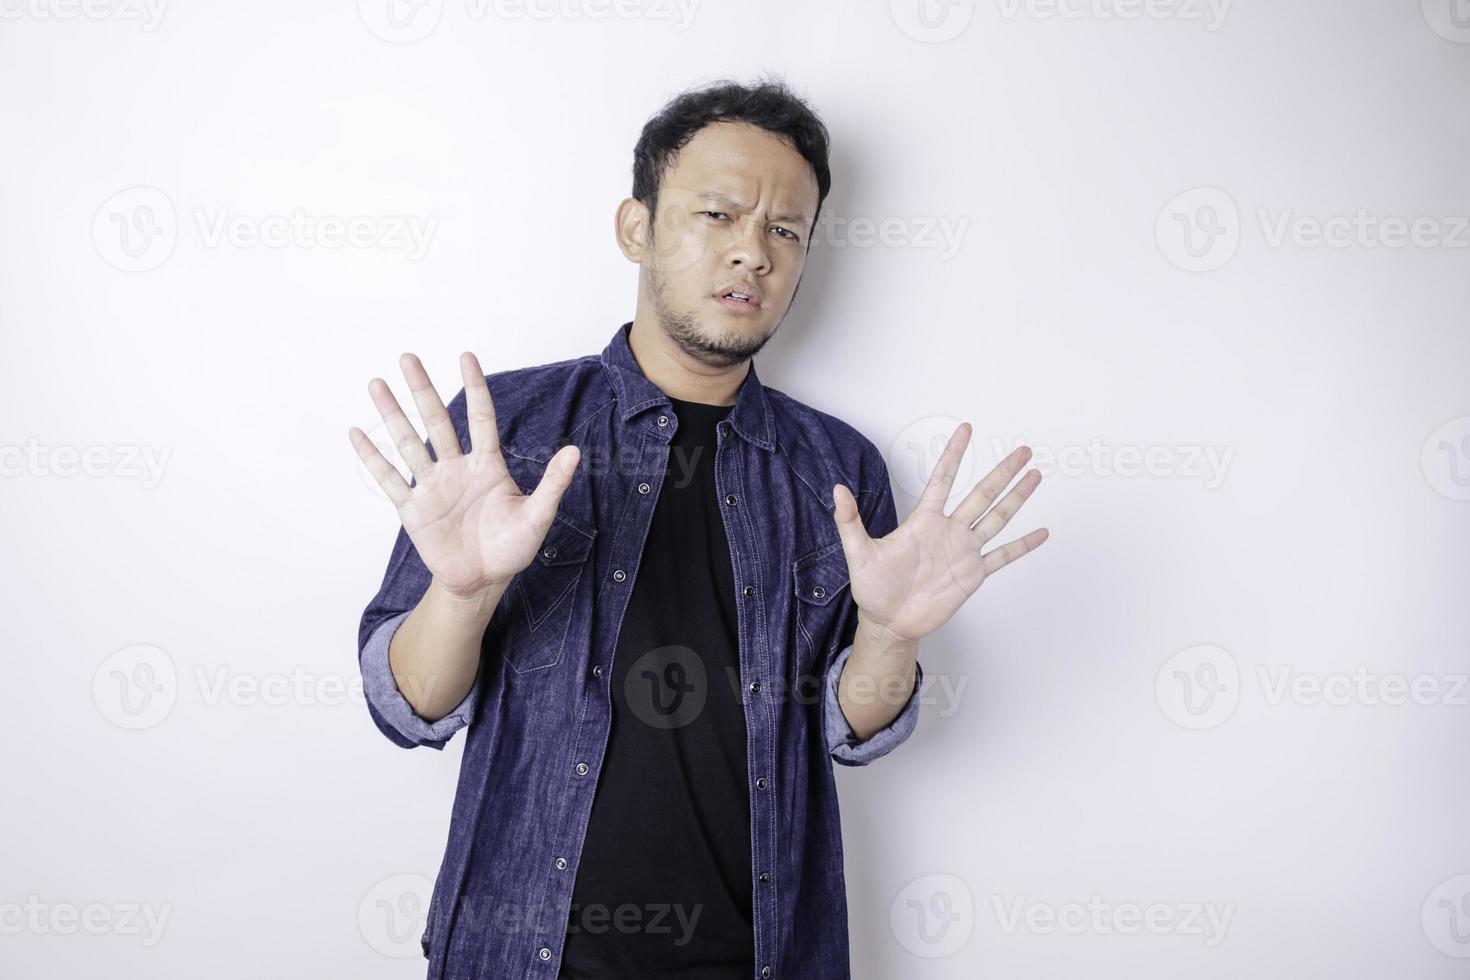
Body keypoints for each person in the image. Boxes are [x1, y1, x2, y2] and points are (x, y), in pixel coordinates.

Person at [349, 76, 1048, 980]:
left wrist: (889, 637)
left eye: (783, 230)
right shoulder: (506, 431)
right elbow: (410, 708)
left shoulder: (836, 468)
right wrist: (464, 590)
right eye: (718, 214)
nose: (751, 253)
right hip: (520, 957)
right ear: (636, 227)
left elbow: (852, 728)